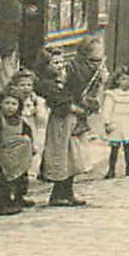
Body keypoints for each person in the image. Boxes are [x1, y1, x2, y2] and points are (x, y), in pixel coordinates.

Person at [34, 48, 95, 206]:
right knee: (60, 156)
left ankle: (68, 192)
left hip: (70, 124)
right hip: (58, 124)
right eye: (55, 63)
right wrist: (76, 108)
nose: (60, 66)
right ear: (45, 65)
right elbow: (59, 101)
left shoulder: (66, 80)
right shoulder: (45, 84)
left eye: (62, 62)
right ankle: (57, 194)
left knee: (72, 157)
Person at [0, 89, 33, 216]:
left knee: (20, 179)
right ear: (0, 105)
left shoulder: (21, 122)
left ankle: (18, 199)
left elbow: (28, 134)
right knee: (0, 181)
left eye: (14, 104)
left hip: (18, 157)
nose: (10, 107)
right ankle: (2, 204)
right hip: (1, 157)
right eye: (7, 103)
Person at [101, 68, 129, 178]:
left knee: (128, 146)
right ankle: (111, 170)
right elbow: (107, 109)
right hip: (117, 122)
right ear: (117, 80)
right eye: (123, 79)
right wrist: (107, 122)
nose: (126, 82)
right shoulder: (112, 94)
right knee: (115, 147)